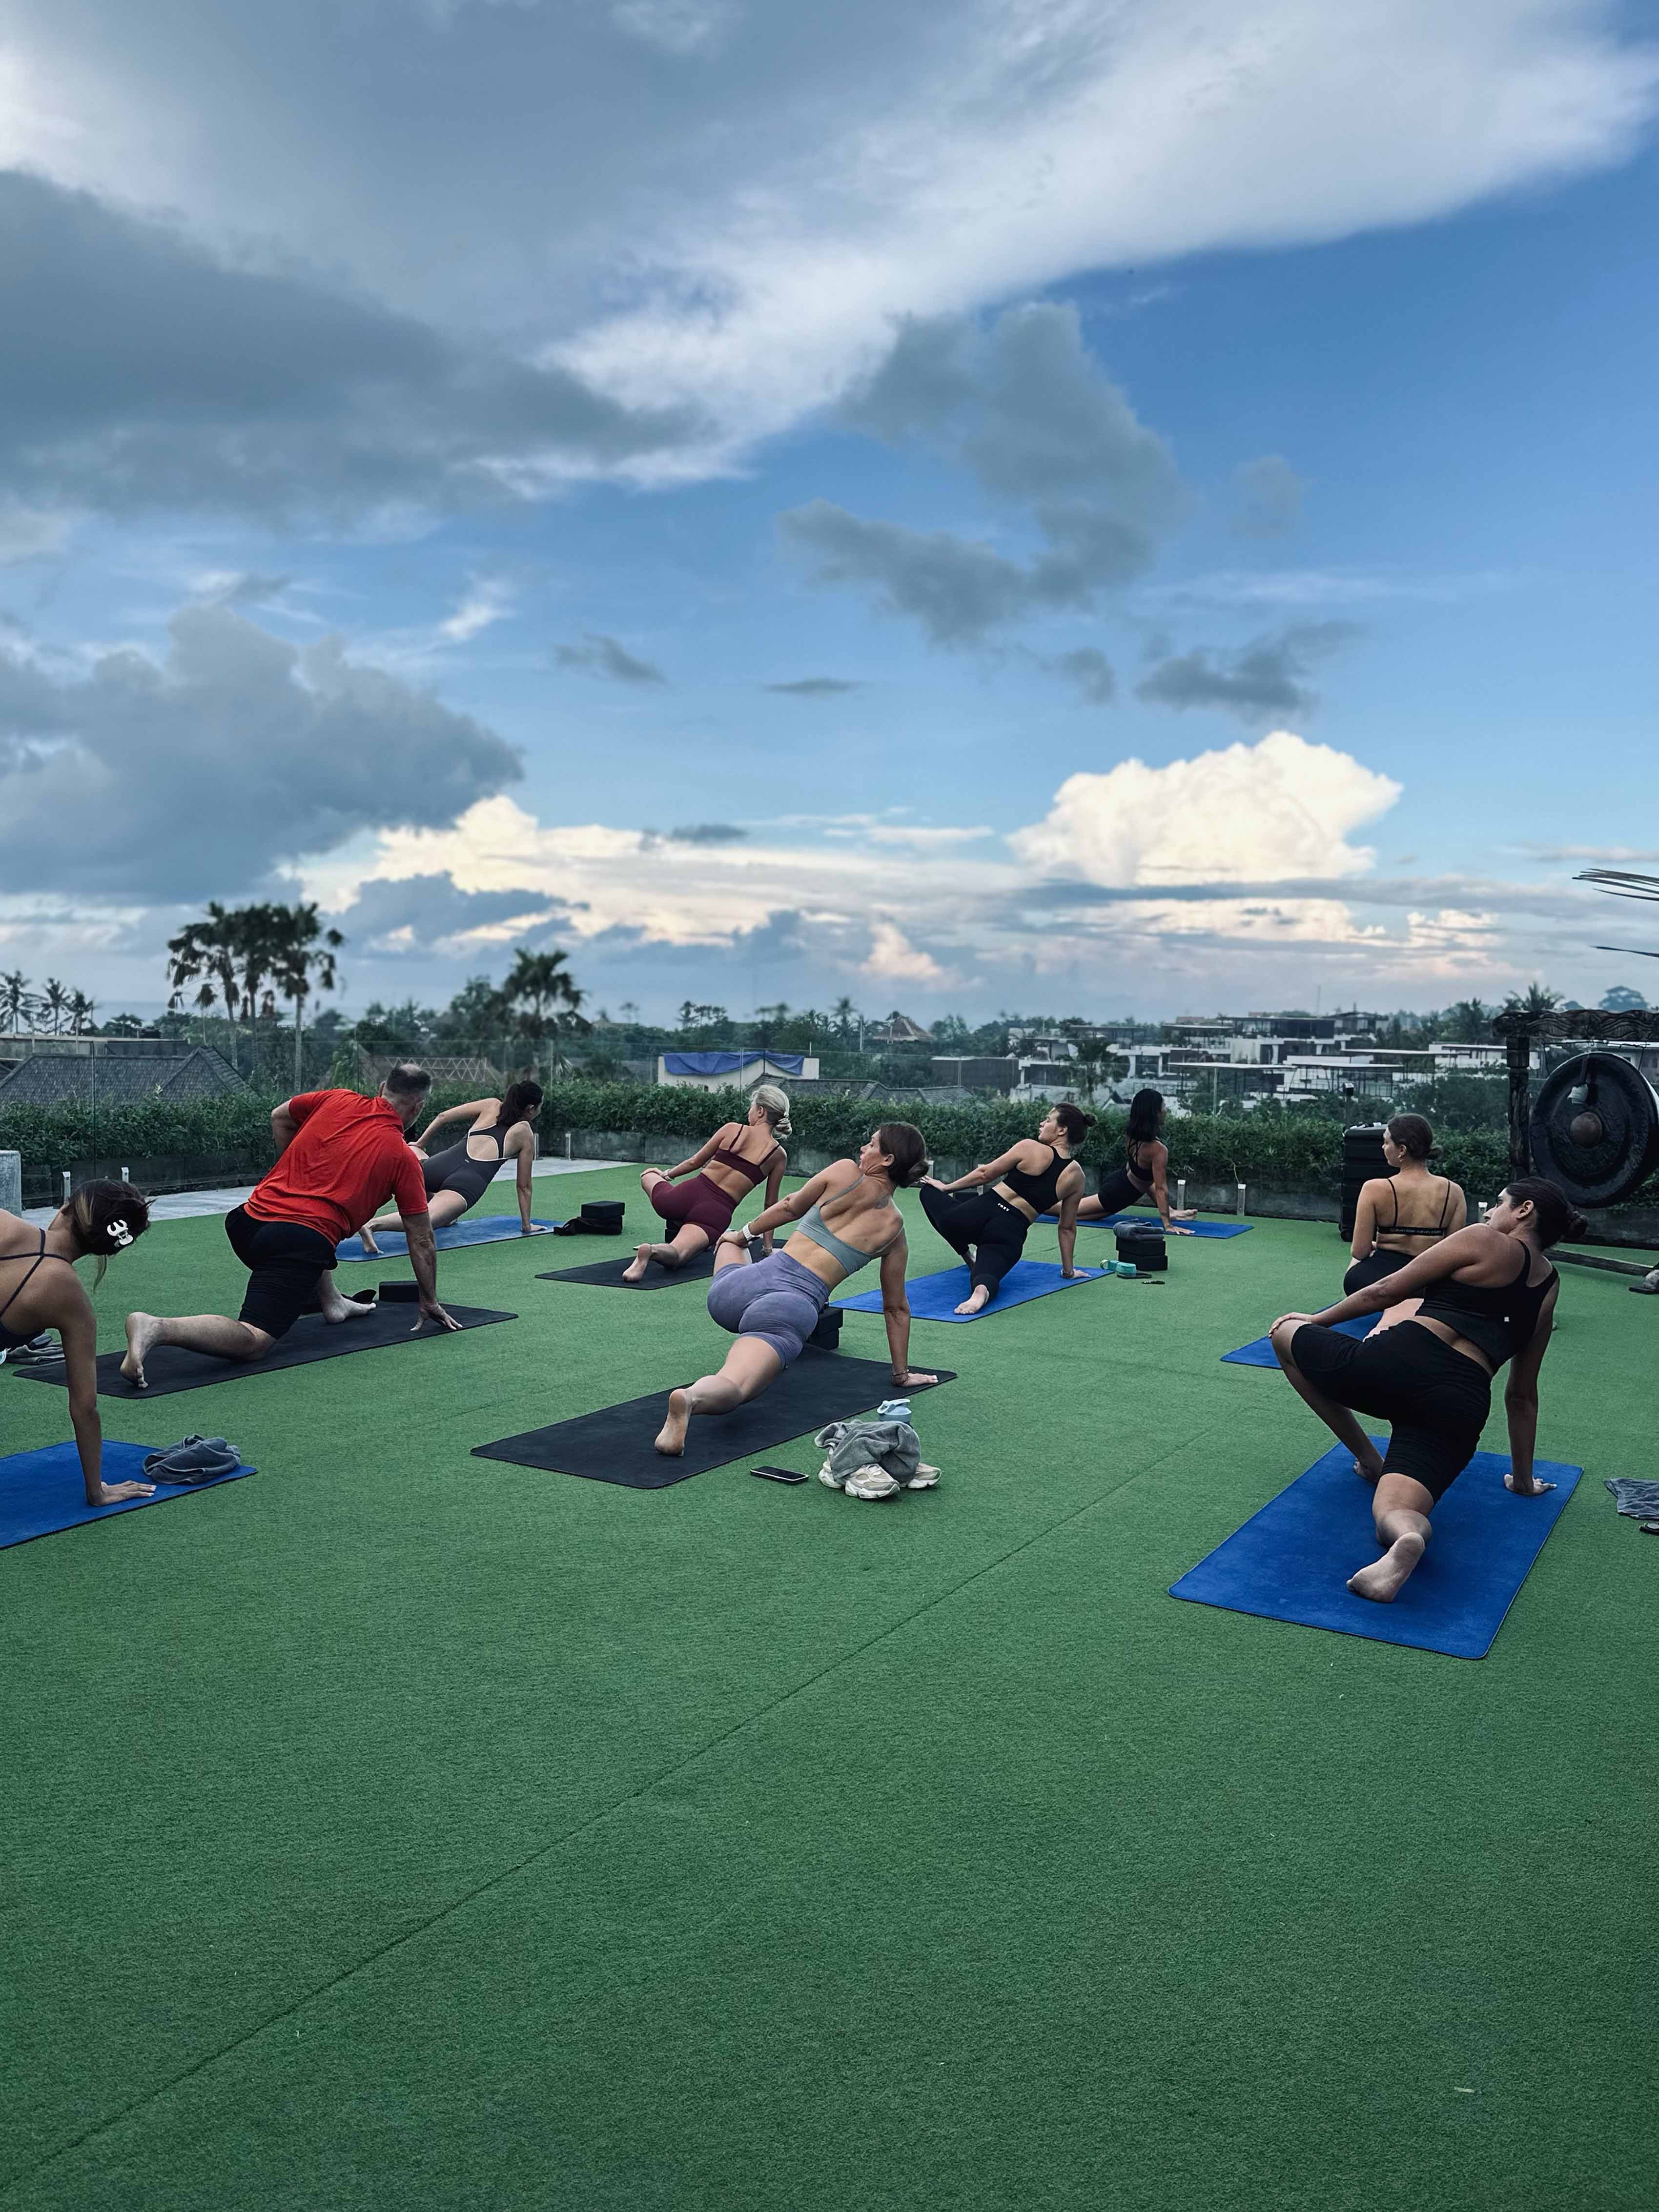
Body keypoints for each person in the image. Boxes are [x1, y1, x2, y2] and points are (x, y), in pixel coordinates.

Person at [1267, 1176, 1578, 1604]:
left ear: (1524, 1210)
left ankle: (1368, 1459)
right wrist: (1522, 1480)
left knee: (1284, 1335)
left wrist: (1315, 1320)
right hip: (1459, 1403)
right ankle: (1406, 1537)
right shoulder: (1549, 1287)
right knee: (1395, 1511)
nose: (1488, 1212)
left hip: (1394, 1362)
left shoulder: (1482, 1239)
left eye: (1499, 1203)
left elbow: (1384, 1289)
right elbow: (1521, 1396)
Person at [122, 1065, 458, 1386]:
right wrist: (428, 1299)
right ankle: (157, 1327)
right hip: (291, 1242)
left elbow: (279, 1116)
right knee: (254, 1340)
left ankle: (334, 1302)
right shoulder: (402, 1157)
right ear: (417, 1108)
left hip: (245, 1221)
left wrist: (288, 1171)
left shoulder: (336, 1098)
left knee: (316, 1238)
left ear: (382, 1089)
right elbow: (421, 1238)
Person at [654, 1124, 937, 1456]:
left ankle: (728, 1241)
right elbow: (895, 1308)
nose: (863, 1148)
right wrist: (901, 1374)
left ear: (887, 1159)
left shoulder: (843, 1171)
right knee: (735, 1385)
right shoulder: (894, 1230)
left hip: (738, 1288)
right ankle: (689, 1399)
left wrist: (743, 1234)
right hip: (788, 1309)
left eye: (871, 1144)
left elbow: (790, 1206)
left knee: (730, 1241)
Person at [0, 1183, 159, 1505]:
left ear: (65, 1207)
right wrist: (96, 1490)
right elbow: (84, 1409)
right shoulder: (74, 1304)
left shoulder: (5, 1223)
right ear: (105, 1249)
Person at [917, 1104, 1091, 1315]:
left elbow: (985, 1174)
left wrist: (946, 1187)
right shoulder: (1076, 1176)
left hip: (974, 1215)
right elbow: (1067, 1228)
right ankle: (979, 1294)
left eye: (1048, 1120)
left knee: (929, 1194)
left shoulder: (1030, 1147)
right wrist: (1068, 1271)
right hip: (1010, 1233)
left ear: (1062, 1130)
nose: (1042, 1124)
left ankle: (967, 1255)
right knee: (986, 1277)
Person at [624, 1084, 791, 1281]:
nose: (749, 1113)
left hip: (684, 1196)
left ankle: (675, 1217)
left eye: (752, 1107)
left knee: (648, 1176)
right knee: (677, 1254)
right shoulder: (778, 1155)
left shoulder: (732, 1129)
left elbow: (696, 1162)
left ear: (761, 1111)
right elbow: (770, 1205)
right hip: (714, 1214)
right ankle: (651, 1251)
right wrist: (767, 1248)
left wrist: (665, 1175)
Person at [357, 1079, 545, 1255]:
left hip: (440, 1165)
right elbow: (524, 1186)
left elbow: (443, 1117)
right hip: (466, 1184)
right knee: (426, 1220)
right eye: (540, 1107)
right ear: (530, 1108)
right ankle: (372, 1225)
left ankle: (434, 1202)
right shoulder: (525, 1132)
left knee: (413, 1157)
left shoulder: (491, 1104)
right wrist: (527, 1225)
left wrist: (420, 1144)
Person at [1345, 1113, 1466, 1295]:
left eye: (1386, 1142)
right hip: (1426, 1285)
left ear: (1402, 1150)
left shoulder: (1373, 1188)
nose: (1383, 1147)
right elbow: (1452, 1253)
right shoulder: (1454, 1192)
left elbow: (1360, 1252)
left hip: (1376, 1281)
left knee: (1355, 1266)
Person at [1074, 1089, 1196, 1235]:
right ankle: (1040, 1199)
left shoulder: (1132, 1136)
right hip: (1117, 1195)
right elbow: (1161, 1189)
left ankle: (1041, 1202)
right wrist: (1168, 1224)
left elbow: (1145, 1180)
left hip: (1119, 1187)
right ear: (1155, 1113)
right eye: (1163, 1108)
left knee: (1072, 1214)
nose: (1166, 1111)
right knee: (1064, 1210)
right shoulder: (1158, 1150)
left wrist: (1169, 1212)